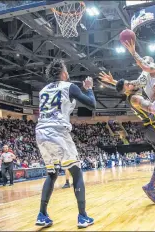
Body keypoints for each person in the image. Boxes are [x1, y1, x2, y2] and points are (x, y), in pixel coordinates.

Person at [35, 59, 96, 228]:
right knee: (76, 173)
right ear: (62, 72)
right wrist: (89, 88)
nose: (68, 72)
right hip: (58, 131)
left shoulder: (43, 90)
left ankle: (42, 214)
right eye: (66, 70)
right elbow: (92, 105)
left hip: (41, 132)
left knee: (52, 173)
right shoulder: (69, 86)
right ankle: (82, 216)